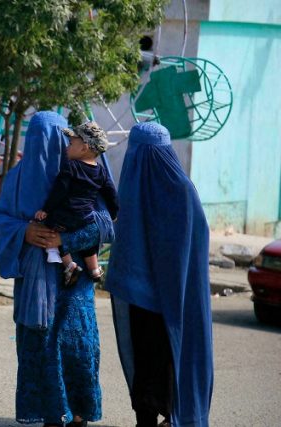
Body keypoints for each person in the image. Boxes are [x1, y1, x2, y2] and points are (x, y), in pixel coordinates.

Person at [0, 111, 115, 427]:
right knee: (39, 347)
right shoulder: (17, 178)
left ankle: (78, 413)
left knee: (75, 346)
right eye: (36, 141)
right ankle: (49, 414)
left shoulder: (82, 176)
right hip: (35, 283)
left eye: (54, 140)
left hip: (74, 287)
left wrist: (65, 237)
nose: (44, 149)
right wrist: (25, 232)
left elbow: (106, 224)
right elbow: (2, 218)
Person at [104, 122, 212, 427]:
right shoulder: (182, 189)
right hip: (162, 297)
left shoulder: (137, 182)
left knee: (151, 362)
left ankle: (161, 417)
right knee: (160, 360)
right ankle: (162, 416)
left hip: (147, 296)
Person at [34, 122, 119, 285]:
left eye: (71, 144)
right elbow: (111, 193)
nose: (67, 147)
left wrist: (46, 209)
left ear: (84, 148)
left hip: (66, 215)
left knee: (52, 229)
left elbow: (60, 190)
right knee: (89, 244)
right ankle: (94, 269)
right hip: (86, 216)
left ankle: (69, 265)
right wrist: (114, 213)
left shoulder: (70, 167)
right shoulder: (101, 171)